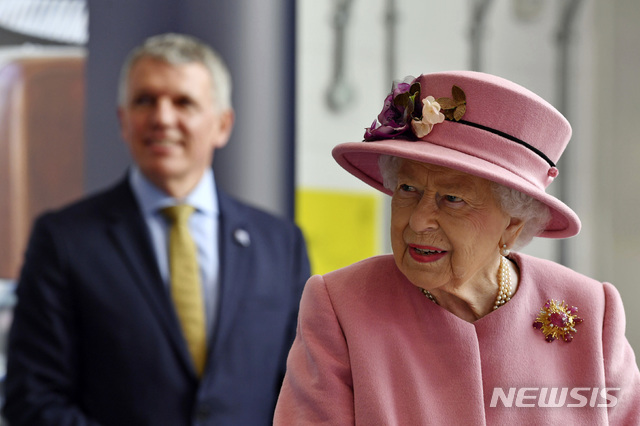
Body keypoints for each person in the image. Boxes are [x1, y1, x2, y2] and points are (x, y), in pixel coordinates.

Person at [274, 70, 640, 424]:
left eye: (452, 198)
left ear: (513, 224)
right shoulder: (342, 307)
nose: (418, 221)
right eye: (407, 189)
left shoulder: (592, 313)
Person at [2, 33, 310, 425]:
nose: (162, 118)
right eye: (145, 100)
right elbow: (31, 398)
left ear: (222, 125)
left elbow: (304, 390)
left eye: (183, 102)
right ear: (123, 120)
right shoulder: (64, 241)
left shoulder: (280, 245)